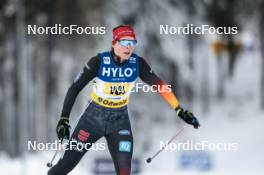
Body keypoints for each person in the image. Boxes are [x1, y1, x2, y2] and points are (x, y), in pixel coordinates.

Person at [47, 25, 200, 175]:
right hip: (93, 118)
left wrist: (179, 109)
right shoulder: (98, 62)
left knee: (125, 170)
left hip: (119, 121)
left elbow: (159, 85)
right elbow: (75, 88)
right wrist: (64, 119)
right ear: (114, 43)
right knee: (65, 167)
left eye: (132, 43)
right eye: (125, 42)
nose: (129, 47)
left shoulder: (137, 63)